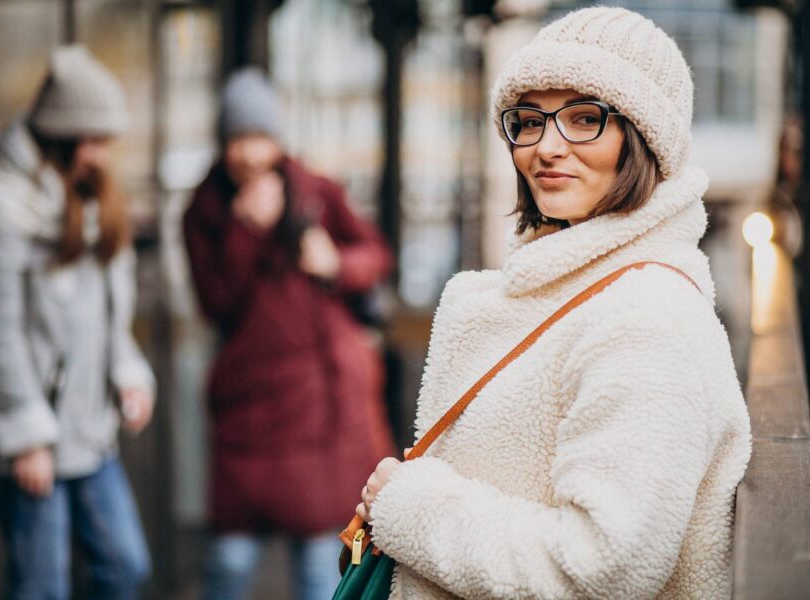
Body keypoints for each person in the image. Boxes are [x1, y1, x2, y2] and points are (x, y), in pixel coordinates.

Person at [356, 7, 752, 599]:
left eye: (584, 118)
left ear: (644, 137)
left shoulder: (644, 319)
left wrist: (411, 507)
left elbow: (603, 568)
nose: (547, 147)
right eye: (531, 121)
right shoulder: (580, 290)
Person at [182, 67, 394, 600]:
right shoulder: (205, 212)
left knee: (318, 561)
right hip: (250, 405)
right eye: (238, 139)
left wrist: (333, 263)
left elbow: (375, 255)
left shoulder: (315, 191)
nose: (250, 154)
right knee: (229, 561)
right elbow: (215, 303)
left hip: (321, 404)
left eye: (261, 137)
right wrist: (243, 231)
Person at [0, 45, 155, 599]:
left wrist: (128, 373)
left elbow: (108, 316)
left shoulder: (97, 201)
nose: (100, 155)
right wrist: (24, 435)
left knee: (125, 566)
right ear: (60, 137)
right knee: (40, 587)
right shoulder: (4, 208)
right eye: (91, 141)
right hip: (38, 441)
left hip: (92, 434)